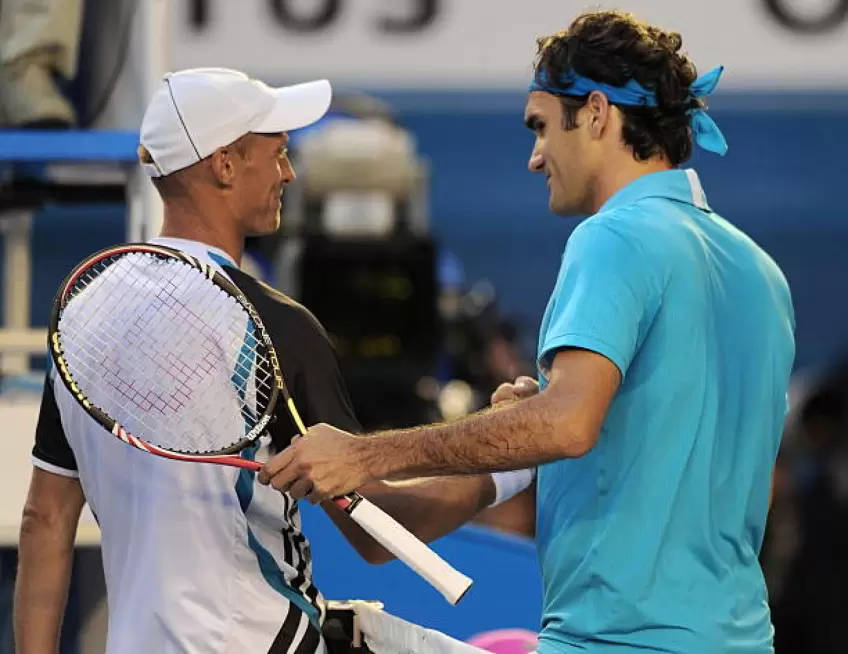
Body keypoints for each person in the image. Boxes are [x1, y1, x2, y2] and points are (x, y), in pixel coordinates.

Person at [259, 10, 796, 654]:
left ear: (597, 113)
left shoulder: (613, 237)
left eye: (541, 127)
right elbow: (611, 437)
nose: (535, 157)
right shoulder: (761, 273)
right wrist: (522, 423)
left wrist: (364, 453)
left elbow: (567, 425)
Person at [14, 68, 391, 654]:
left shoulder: (84, 316)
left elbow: (46, 520)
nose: (288, 172)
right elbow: (375, 533)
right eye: (278, 152)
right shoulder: (276, 324)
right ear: (224, 165)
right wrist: (503, 472)